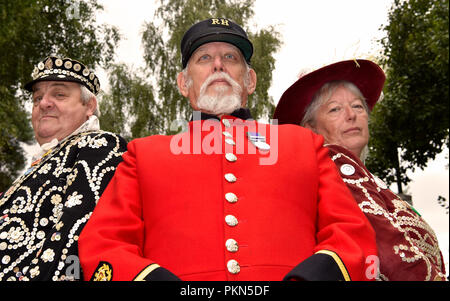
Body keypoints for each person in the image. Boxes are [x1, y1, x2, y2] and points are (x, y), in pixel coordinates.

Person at [79, 18, 377, 281]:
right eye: (204, 57)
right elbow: (104, 244)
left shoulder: (304, 144)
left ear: (250, 80)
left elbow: (351, 233)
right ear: (183, 83)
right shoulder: (142, 154)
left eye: (231, 57)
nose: (218, 64)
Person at [273, 59, 447, 281]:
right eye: (335, 109)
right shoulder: (333, 162)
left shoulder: (366, 177)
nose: (351, 115)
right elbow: (390, 251)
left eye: (357, 106)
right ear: (311, 128)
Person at [0, 56, 127, 281]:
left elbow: (72, 240)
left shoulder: (98, 146)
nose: (44, 103)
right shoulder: (40, 163)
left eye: (59, 94)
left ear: (89, 106)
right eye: (37, 97)